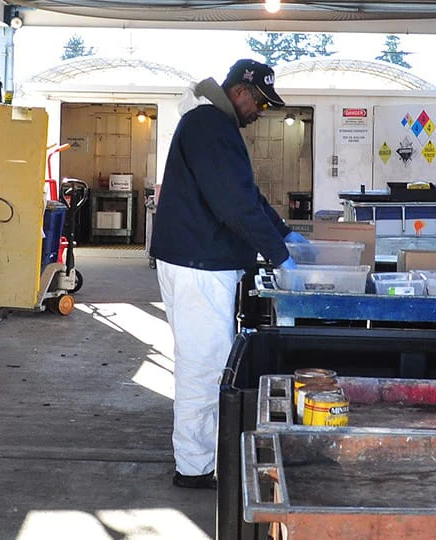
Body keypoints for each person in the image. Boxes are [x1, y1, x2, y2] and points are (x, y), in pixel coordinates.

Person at [149, 59, 306, 490]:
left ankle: (201, 458)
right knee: (203, 367)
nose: (260, 111)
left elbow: (246, 196)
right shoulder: (209, 126)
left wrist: (286, 234)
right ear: (239, 90)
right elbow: (234, 207)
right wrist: (280, 257)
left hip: (200, 261)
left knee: (206, 362)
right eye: (258, 101)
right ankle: (194, 468)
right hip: (198, 264)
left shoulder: (214, 126)